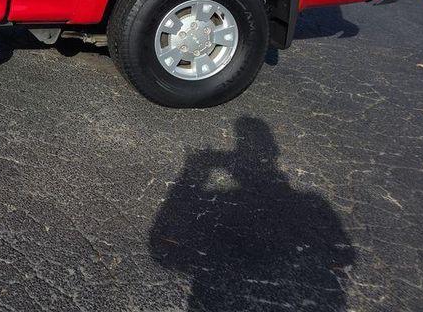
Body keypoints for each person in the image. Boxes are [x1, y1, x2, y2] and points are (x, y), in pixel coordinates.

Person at [150, 117, 356, 311]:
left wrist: (193, 169)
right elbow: (344, 258)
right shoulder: (314, 204)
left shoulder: (222, 204)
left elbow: (164, 250)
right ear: (274, 151)